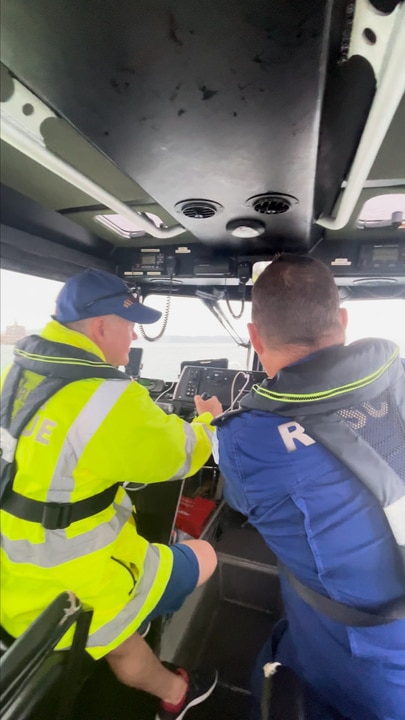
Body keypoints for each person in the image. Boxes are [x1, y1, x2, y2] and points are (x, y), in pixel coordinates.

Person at [0, 268, 220, 720]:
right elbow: (181, 456)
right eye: (129, 323)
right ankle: (171, 679)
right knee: (204, 554)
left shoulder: (12, 369)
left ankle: (161, 675)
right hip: (70, 575)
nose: (134, 334)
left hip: (10, 571)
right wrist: (207, 423)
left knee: (116, 623)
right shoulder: (109, 397)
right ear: (101, 326)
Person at [196, 254, 405, 720]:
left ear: (254, 337)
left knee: (269, 674)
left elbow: (238, 500)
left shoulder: (244, 438)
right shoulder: (397, 373)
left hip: (369, 658)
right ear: (344, 321)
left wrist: (214, 425)